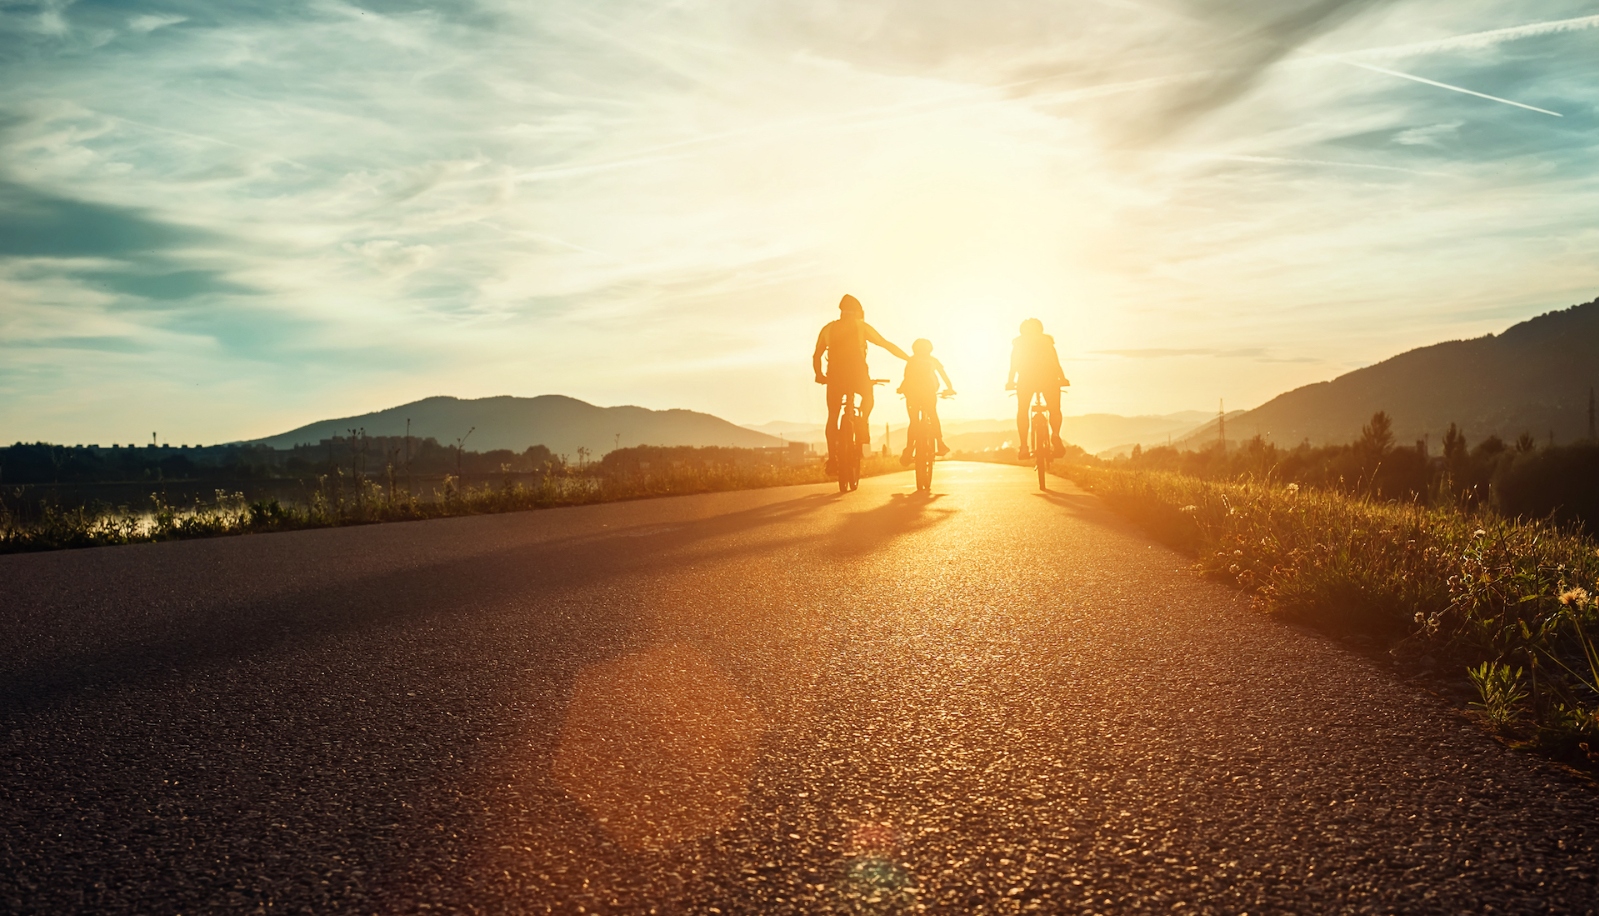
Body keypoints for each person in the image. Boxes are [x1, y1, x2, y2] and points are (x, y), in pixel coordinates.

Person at [814, 294, 910, 474]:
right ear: (858, 311)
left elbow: (817, 355)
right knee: (867, 397)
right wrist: (909, 359)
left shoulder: (827, 329)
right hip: (858, 375)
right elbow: (885, 344)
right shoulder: (861, 326)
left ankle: (833, 459)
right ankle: (862, 422)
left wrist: (819, 374)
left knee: (833, 416)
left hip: (835, 377)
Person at [1006, 317, 1069, 460]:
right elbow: (1055, 362)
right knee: (1054, 410)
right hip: (1049, 380)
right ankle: (1055, 435)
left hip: (1026, 381)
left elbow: (1014, 365)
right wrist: (1062, 378)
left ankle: (1023, 447)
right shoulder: (1047, 342)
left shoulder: (1019, 343)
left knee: (1022, 411)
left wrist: (1010, 382)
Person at [898, 338, 955, 464]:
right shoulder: (933, 360)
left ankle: (908, 449)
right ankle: (940, 443)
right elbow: (943, 375)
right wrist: (950, 388)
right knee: (933, 414)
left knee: (913, 421)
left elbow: (906, 377)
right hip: (929, 393)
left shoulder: (911, 360)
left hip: (912, 394)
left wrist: (901, 388)